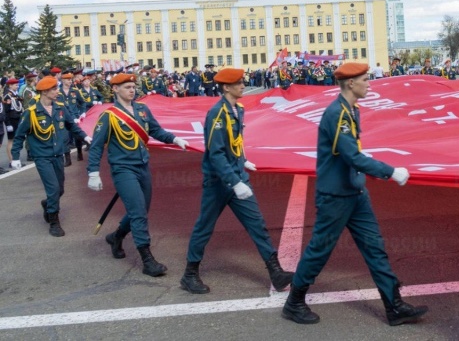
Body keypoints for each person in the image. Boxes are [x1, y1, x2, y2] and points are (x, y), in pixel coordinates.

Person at [282, 62, 428, 326]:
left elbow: (353, 153)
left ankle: (393, 306)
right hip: (336, 196)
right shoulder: (337, 113)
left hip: (355, 193)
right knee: (319, 250)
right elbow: (351, 155)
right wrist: (390, 171)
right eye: (365, 79)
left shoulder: (351, 110)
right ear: (351, 83)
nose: (369, 83)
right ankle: (294, 302)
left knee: (375, 249)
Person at [180, 68, 294, 294]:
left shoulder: (237, 109)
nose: (243, 85)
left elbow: (235, 142)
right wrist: (235, 180)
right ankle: (189, 274)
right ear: (226, 87)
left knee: (257, 224)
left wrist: (243, 161)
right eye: (239, 83)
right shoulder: (217, 113)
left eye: (242, 82)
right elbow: (216, 153)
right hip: (219, 182)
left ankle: (276, 272)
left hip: (236, 176)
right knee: (205, 227)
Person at [86, 73, 189, 276]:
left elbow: (156, 131)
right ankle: (147, 259)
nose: (132, 90)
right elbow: (96, 146)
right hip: (123, 169)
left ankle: (117, 236)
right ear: (115, 89)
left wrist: (174, 139)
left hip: (142, 166)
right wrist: (93, 172)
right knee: (138, 212)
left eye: (133, 86)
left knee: (141, 209)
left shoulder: (142, 109)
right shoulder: (109, 115)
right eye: (127, 87)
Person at [11, 76, 91, 237]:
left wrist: (85, 137)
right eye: (54, 89)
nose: (57, 91)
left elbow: (72, 126)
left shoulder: (60, 108)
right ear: (45, 91)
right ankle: (54, 221)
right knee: (53, 189)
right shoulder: (32, 112)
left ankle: (47, 204)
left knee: (60, 189)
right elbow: (20, 135)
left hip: (58, 154)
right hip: (42, 156)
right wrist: (15, 157)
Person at [3, 77, 25, 162]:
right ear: (10, 85)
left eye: (17, 84)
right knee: (11, 140)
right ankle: (11, 160)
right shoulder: (7, 96)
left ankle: (16, 158)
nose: (17, 86)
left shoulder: (16, 95)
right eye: (15, 85)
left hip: (17, 119)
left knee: (17, 139)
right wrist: (8, 124)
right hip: (11, 120)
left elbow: (19, 107)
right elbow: (6, 111)